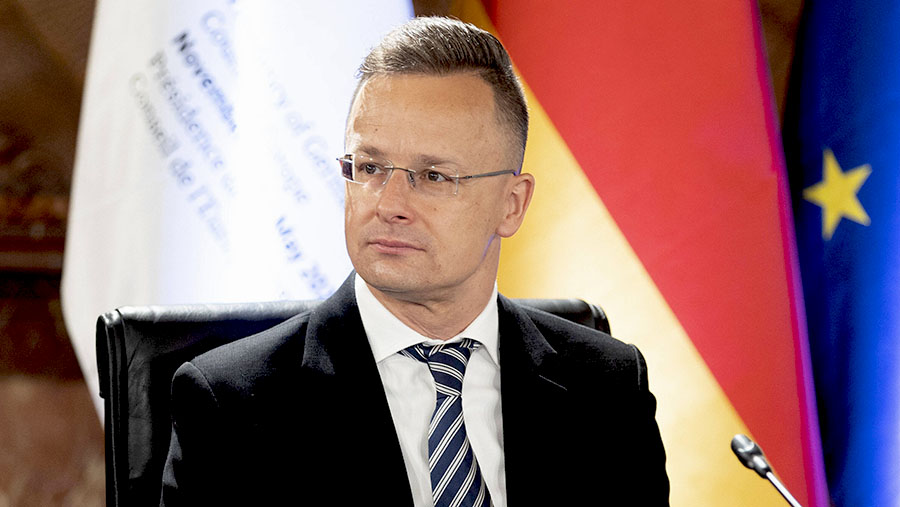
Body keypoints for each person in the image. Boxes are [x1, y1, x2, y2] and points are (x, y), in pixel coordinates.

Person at [161, 16, 668, 506]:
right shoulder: (230, 405)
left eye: (433, 176)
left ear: (511, 205)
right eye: (370, 167)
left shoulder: (608, 387)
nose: (389, 204)